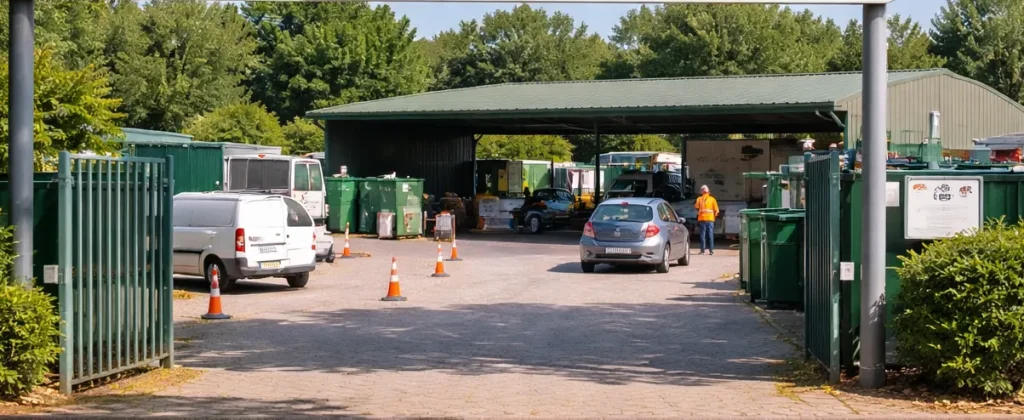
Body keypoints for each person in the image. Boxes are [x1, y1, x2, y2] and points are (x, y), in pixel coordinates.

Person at [694, 185, 719, 255]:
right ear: (708, 191)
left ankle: (702, 251)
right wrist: (714, 217)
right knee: (710, 235)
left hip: (702, 219)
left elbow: (696, 207)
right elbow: (716, 210)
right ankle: (711, 251)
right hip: (710, 219)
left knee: (702, 235)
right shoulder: (712, 199)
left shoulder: (699, 199)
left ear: (701, 191)